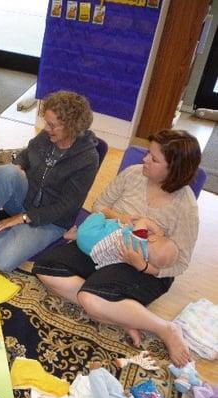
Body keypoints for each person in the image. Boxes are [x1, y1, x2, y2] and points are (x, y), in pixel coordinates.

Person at [33, 129, 201, 368]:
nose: (144, 160)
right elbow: (100, 204)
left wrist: (142, 265)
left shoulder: (186, 207)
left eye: (154, 159)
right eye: (147, 153)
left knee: (90, 299)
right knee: (46, 268)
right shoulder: (133, 174)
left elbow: (181, 263)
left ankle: (166, 329)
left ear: (174, 169)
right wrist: (121, 218)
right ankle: (119, 313)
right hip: (106, 241)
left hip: (145, 267)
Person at [0, 90, 100, 272]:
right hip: (26, 198)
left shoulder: (87, 159)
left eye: (52, 125)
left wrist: (21, 218)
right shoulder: (47, 137)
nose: (46, 128)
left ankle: (3, 222)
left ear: (71, 126)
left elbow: (66, 206)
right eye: (46, 122)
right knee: (5, 171)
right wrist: (18, 167)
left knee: (3, 261)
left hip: (51, 219)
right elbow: (24, 155)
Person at [66, 213, 178, 270]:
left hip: (90, 235)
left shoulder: (139, 239)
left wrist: (158, 231)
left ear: (153, 239)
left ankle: (76, 234)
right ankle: (75, 236)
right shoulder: (141, 258)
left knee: (100, 216)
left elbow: (144, 221)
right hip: (91, 251)